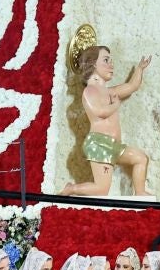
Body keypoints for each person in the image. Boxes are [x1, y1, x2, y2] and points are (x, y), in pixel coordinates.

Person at [59, 43, 153, 197]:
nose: (111, 64)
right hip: (99, 144)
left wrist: (140, 69)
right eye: (106, 60)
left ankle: (140, 192)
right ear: (93, 64)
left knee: (140, 159)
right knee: (102, 189)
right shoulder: (90, 91)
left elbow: (132, 86)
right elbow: (99, 112)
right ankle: (72, 189)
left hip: (114, 145)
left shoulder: (109, 91)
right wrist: (115, 105)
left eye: (111, 60)